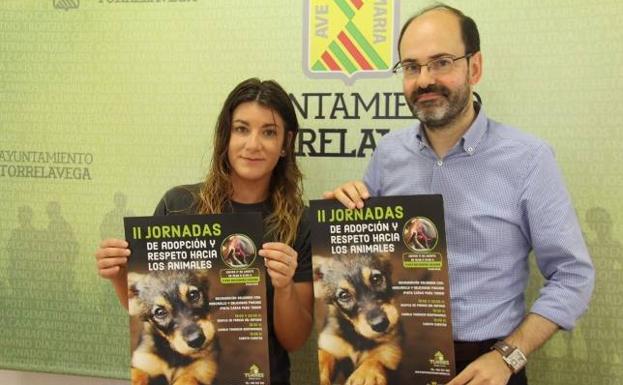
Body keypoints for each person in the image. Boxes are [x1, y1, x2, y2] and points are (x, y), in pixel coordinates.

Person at [325, 5, 594, 385]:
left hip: (486, 364)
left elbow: (573, 276)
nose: (424, 80)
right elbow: (367, 259)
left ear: (475, 67)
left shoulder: (529, 159)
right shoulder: (388, 154)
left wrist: (508, 357)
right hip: (397, 355)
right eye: (412, 67)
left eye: (441, 62)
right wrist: (345, 215)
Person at [95, 78, 313, 385]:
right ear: (225, 136)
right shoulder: (178, 205)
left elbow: (294, 341)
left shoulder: (298, 223)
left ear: (285, 144)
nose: (253, 144)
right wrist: (119, 273)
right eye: (242, 129)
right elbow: (149, 310)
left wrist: (285, 285)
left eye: (269, 132)